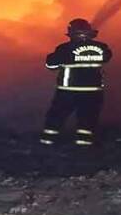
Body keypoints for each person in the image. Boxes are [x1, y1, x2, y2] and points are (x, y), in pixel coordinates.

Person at [40, 19, 113, 148]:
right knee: (87, 119)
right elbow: (107, 57)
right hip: (94, 92)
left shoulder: (64, 49)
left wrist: (56, 57)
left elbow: (50, 65)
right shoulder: (101, 47)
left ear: (71, 33)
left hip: (68, 91)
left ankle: (47, 143)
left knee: (56, 117)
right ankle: (83, 146)